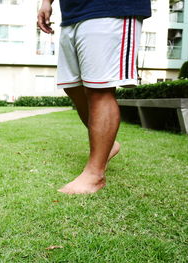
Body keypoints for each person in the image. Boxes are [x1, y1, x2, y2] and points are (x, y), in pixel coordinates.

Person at [37, 0, 151, 194]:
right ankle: (109, 145)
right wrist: (46, 2)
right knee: (72, 86)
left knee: (99, 89)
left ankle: (95, 175)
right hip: (71, 13)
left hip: (110, 9)